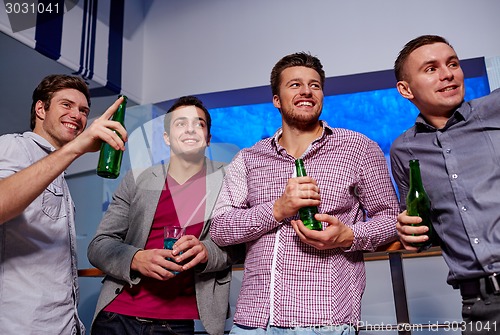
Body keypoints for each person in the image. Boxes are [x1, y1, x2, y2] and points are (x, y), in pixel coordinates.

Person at [210, 52, 399, 334]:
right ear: (277, 99)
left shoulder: (358, 148)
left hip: (324, 320)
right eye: (295, 84)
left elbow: (391, 217)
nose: (307, 91)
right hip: (252, 322)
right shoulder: (249, 158)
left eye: (315, 85)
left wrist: (349, 236)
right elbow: (221, 227)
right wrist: (277, 210)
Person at [87, 96, 245, 335]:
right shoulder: (137, 179)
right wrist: (135, 259)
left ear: (209, 138)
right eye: (180, 123)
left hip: (176, 324)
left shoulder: (229, 178)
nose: (190, 129)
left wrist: (206, 252)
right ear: (167, 138)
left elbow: (241, 245)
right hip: (117, 316)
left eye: (199, 123)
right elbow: (99, 245)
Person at [0, 74, 127, 334]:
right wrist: (76, 148)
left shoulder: (57, 170)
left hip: (64, 324)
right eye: (66, 105)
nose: (77, 115)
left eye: (83, 110)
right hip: (22, 325)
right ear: (40, 109)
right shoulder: (13, 146)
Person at [390, 34, 500, 333]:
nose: (447, 73)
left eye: (452, 64)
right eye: (431, 68)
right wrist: (408, 232)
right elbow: (421, 228)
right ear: (405, 89)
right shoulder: (404, 150)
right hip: (479, 306)